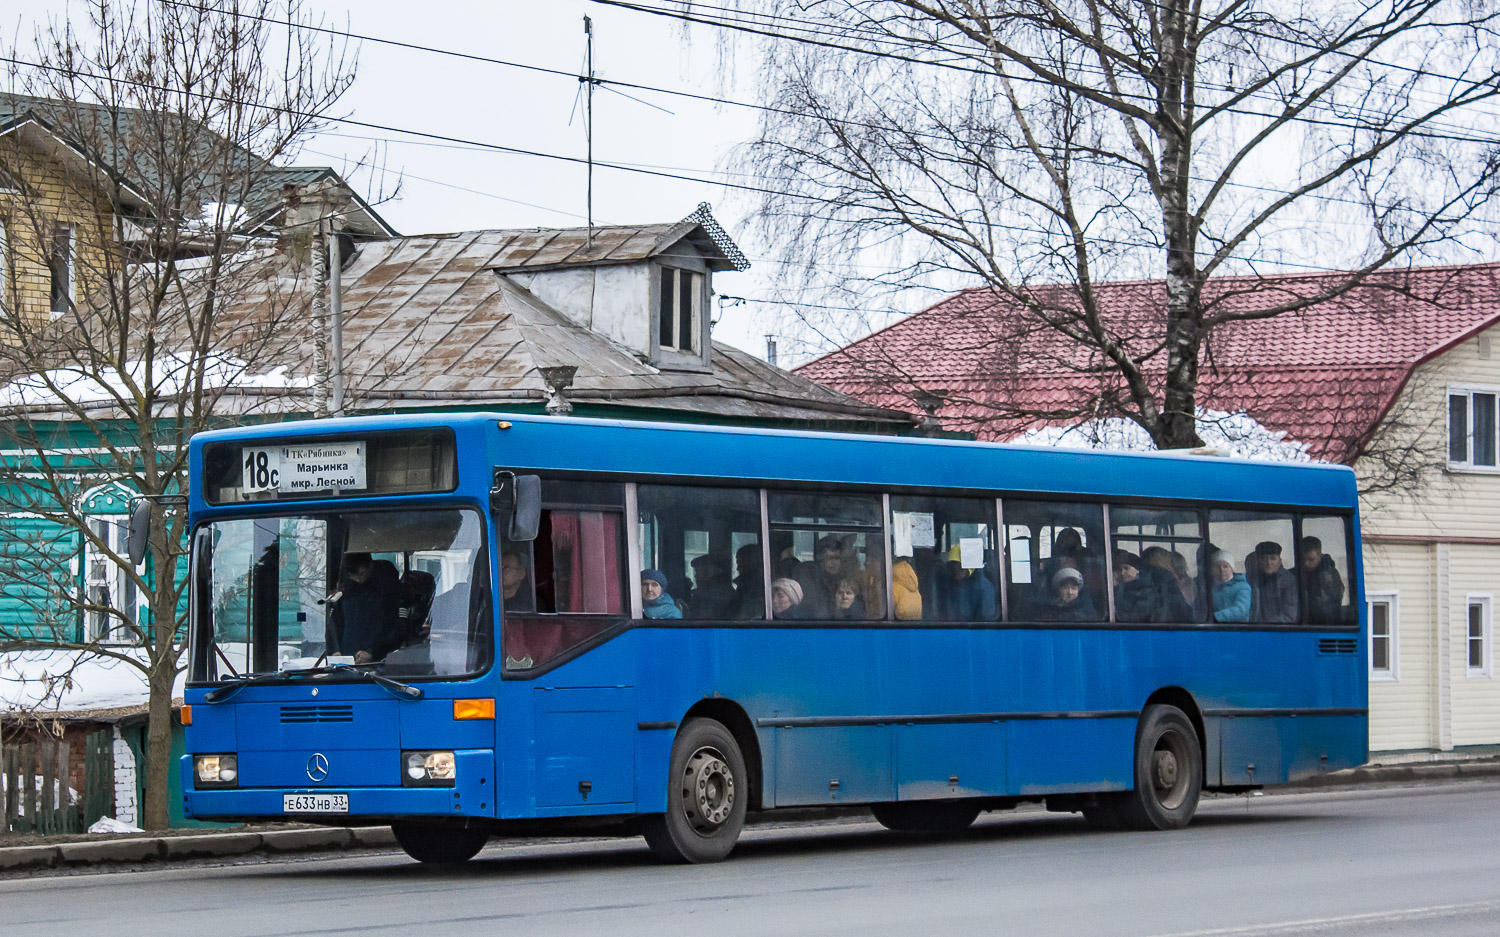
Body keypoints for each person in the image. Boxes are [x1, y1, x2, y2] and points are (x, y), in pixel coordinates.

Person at [328, 552, 404, 664]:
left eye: (361, 574)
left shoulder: (387, 589)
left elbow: (394, 627)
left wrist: (372, 652)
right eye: (353, 576)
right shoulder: (346, 589)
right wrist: (335, 650)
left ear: (371, 566)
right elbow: (335, 621)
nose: (358, 579)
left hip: (381, 662)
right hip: (347, 659)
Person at [937, 544, 997, 620]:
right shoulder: (948, 584)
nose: (955, 570)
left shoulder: (984, 586)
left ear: (969, 566)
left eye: (959, 565)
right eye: (952, 565)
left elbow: (987, 619)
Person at [795, 535, 846, 618]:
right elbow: (818, 614)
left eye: (837, 558)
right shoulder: (809, 581)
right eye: (829, 558)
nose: (834, 563)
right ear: (819, 558)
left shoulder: (843, 581)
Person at [1301, 536, 1347, 623]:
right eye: (1303, 559)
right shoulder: (1293, 574)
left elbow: (1329, 603)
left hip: (1325, 625)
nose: (1306, 563)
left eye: (1311, 559)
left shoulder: (1330, 575)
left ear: (1320, 556)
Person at [1251, 541, 1298, 622]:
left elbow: (1290, 616)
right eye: (1263, 558)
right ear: (1258, 561)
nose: (1268, 563)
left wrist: (1263, 625)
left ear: (1279, 561)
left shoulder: (1288, 581)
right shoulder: (1252, 579)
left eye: (1273, 558)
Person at [1113, 550, 1161, 623]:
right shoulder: (1117, 585)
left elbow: (1134, 617)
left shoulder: (1147, 590)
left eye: (1126, 568)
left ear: (1137, 570)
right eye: (1119, 569)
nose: (1122, 572)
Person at [689, 554, 739, 619]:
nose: (695, 576)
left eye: (697, 571)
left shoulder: (704, 596)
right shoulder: (728, 590)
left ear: (709, 571)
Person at [1209, 550, 1251, 622]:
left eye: (1225, 566)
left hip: (1237, 629)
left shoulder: (1243, 587)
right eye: (1217, 566)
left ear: (1232, 569)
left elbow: (1241, 609)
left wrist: (1215, 617)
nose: (1222, 570)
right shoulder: (1208, 587)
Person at [732, 543, 766, 619]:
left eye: (740, 563)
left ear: (751, 562)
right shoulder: (743, 585)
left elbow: (745, 613)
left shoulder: (756, 587)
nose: (737, 568)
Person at [500, 548, 533, 613]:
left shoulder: (531, 603)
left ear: (521, 573)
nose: (501, 572)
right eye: (499, 567)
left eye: (506, 568)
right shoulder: (488, 600)